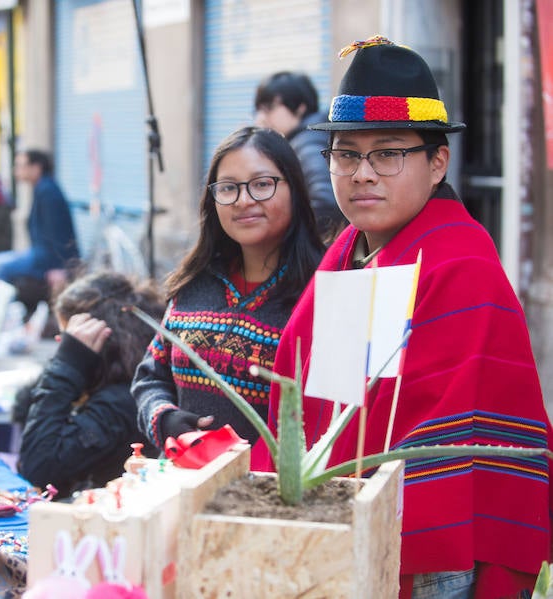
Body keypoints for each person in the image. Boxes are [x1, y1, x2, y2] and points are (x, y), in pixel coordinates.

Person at [255, 37, 552, 599]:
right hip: (341, 528)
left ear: (437, 162)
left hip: (426, 549)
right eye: (345, 154)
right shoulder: (348, 249)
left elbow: (447, 431)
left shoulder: (462, 264)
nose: (362, 173)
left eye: (388, 153)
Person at [131, 126, 324, 452]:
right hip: (188, 481)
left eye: (262, 184)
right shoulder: (194, 285)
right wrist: (164, 418)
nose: (243, 200)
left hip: (273, 494)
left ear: (295, 189)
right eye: (228, 188)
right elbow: (151, 377)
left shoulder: (321, 292)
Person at [16, 271, 164, 496]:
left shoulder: (121, 402)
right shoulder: (117, 381)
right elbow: (21, 408)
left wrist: (67, 364)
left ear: (99, 342)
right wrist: (65, 361)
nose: (61, 346)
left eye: (66, 339)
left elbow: (37, 466)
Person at [254, 71, 347, 241]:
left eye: (269, 108)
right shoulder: (314, 135)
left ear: (299, 108)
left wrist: (297, 244)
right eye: (259, 110)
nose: (261, 118)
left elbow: (325, 201)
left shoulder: (306, 143)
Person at [0, 149, 79, 301]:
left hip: (46, 258)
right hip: (39, 254)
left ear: (36, 167)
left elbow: (58, 233)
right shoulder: (42, 188)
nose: (16, 171)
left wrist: (59, 268)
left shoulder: (48, 191)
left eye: (21, 166)